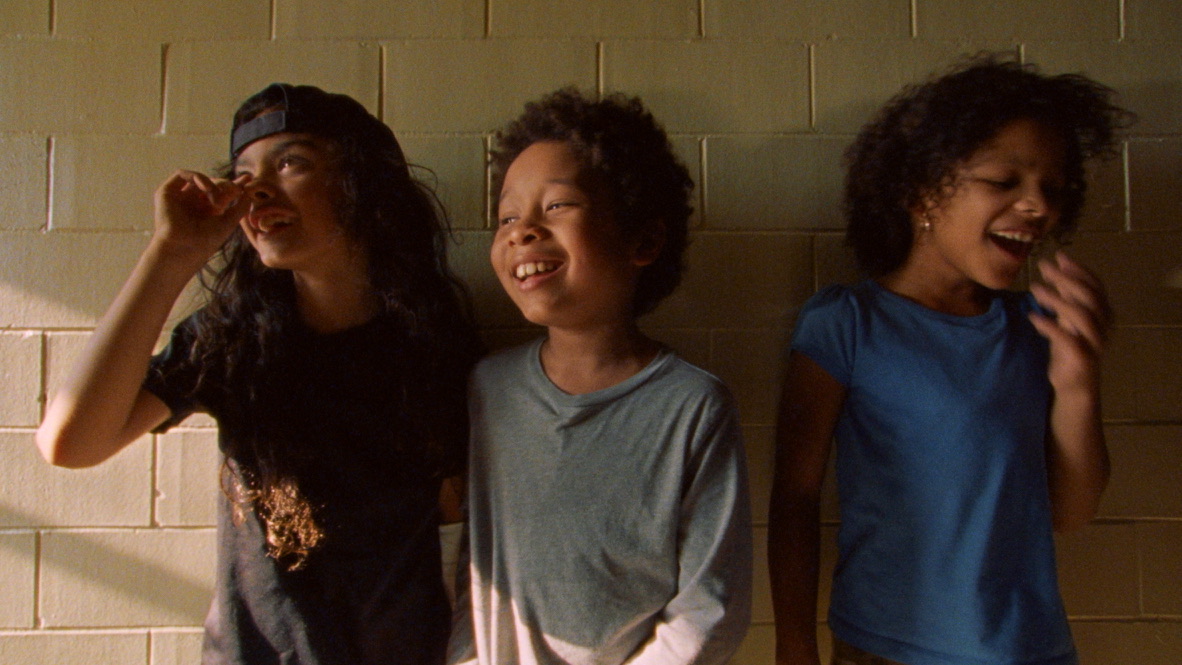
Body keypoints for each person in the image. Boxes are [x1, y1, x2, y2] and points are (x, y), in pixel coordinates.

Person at [36, 83, 480, 665]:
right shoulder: (232, 338)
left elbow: (455, 528)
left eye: (291, 162)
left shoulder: (434, 338)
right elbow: (69, 443)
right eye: (243, 174)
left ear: (363, 183)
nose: (257, 190)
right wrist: (170, 254)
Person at [768, 56, 1132, 665]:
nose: (1037, 206)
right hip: (888, 647)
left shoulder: (1036, 331)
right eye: (1003, 181)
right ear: (921, 191)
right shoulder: (847, 323)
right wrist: (794, 643)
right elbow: (796, 496)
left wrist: (1078, 385)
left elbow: (1070, 514)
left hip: (1030, 649)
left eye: (1053, 188)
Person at [447, 88, 752, 665]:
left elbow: (709, 609)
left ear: (643, 240)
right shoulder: (489, 389)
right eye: (507, 216)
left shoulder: (692, 406)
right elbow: (469, 564)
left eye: (557, 206)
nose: (521, 231)